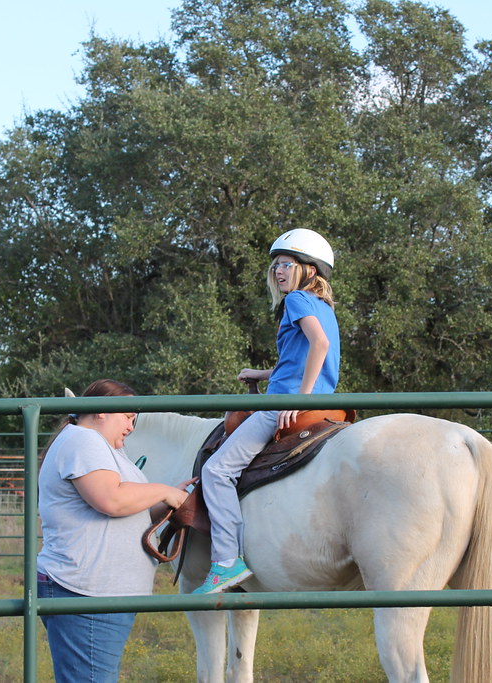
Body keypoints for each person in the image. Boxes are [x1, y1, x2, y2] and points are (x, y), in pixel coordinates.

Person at [194, 228, 340, 594]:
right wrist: (261, 373)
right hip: (324, 403)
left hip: (284, 406)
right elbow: (301, 358)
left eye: (287, 264)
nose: (278, 271)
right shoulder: (323, 308)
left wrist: (298, 400)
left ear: (309, 269)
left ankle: (226, 562)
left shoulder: (296, 301)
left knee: (216, 471)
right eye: (275, 265)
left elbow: (318, 345)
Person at [36, 378, 190, 683]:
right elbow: (110, 500)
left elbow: (129, 511)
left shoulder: (102, 448)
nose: (132, 426)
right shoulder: (83, 440)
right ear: (102, 410)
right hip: (86, 593)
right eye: (128, 416)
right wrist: (163, 491)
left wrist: (171, 500)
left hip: (96, 592)